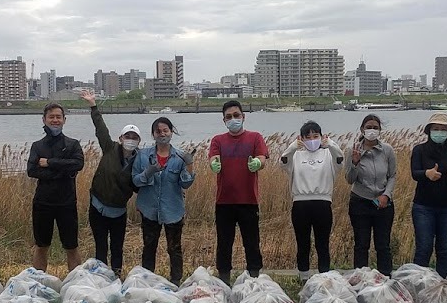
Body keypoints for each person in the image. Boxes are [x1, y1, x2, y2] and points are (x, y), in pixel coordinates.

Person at [208, 100, 269, 281]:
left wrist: (258, 163)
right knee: (224, 243)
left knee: (251, 243)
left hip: (248, 200)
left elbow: (262, 157)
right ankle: (224, 279)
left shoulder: (255, 137)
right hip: (224, 201)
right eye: (229, 117)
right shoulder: (218, 140)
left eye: (236, 115)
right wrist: (214, 164)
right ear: (224, 120)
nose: (233, 119)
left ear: (243, 117)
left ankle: (254, 278)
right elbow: (213, 157)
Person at [81, 89, 139, 277]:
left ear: (138, 141)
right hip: (98, 206)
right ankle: (100, 277)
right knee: (100, 245)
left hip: (118, 211)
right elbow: (100, 128)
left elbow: (140, 184)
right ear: (121, 138)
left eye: (134, 137)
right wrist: (93, 106)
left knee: (117, 247)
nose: (130, 140)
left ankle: (116, 276)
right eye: (127, 136)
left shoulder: (139, 161)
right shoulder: (109, 148)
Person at [132, 117, 196, 284]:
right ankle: (146, 281)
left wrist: (189, 166)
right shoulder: (143, 155)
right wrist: (149, 172)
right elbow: (135, 181)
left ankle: (176, 282)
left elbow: (186, 184)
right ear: (153, 134)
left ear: (171, 132)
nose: (162, 134)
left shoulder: (179, 157)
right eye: (158, 131)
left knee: (174, 249)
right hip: (149, 209)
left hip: (173, 210)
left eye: (165, 130)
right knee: (149, 247)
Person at [280, 120, 345, 281]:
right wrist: (293, 146)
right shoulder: (297, 156)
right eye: (307, 137)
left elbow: (340, 159)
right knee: (303, 244)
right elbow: (283, 161)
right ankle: (303, 277)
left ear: (322, 136)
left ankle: (324, 277)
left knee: (322, 244)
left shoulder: (328, 154)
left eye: (315, 136)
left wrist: (329, 143)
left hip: (323, 202)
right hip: (300, 204)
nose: (312, 139)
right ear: (301, 138)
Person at [26, 102, 85, 272]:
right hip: (43, 203)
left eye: (58, 117)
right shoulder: (38, 146)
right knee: (41, 245)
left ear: (64, 120)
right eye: (51, 117)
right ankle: (38, 281)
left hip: (66, 202)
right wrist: (62, 171)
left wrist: (50, 163)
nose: (55, 120)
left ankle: (76, 282)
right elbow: (32, 170)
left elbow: (78, 164)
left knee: (71, 245)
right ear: (44, 120)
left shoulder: (72, 144)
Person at [410, 112, 447, 277]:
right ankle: (418, 282)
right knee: (424, 247)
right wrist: (426, 174)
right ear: (428, 130)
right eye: (436, 128)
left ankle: (443, 284)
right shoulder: (419, 150)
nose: (439, 132)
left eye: (443, 129)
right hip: (423, 206)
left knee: (444, 249)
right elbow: (414, 173)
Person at [344, 114, 398, 275]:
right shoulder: (353, 150)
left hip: (383, 203)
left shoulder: (387, 150)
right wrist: (355, 163)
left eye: (375, 127)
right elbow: (349, 179)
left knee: (383, 245)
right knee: (361, 244)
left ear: (380, 130)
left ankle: (385, 278)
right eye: (369, 127)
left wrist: (386, 195)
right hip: (360, 201)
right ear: (362, 129)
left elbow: (393, 175)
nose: (372, 130)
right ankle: (361, 279)